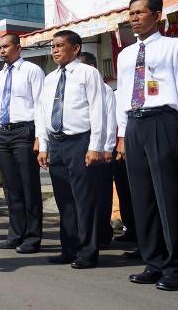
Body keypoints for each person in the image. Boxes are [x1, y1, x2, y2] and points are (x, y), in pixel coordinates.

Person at [116, 0, 178, 290]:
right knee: (143, 198)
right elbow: (122, 94)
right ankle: (154, 262)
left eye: (140, 13)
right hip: (135, 124)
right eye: (131, 14)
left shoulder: (175, 47)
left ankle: (176, 268)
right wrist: (123, 134)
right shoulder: (125, 54)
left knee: (169, 197)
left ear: (158, 16)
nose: (134, 18)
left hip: (164, 121)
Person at [38, 30, 105, 269]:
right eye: (53, 47)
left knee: (83, 199)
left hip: (80, 141)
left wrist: (95, 145)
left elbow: (98, 110)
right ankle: (68, 248)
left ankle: (87, 251)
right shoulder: (49, 79)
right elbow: (42, 113)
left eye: (59, 46)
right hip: (56, 142)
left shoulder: (88, 73)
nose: (55, 50)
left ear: (75, 48)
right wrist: (43, 145)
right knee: (64, 199)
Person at [0, 33, 44, 253]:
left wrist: (40, 136)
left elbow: (41, 104)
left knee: (28, 186)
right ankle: (15, 234)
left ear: (18, 47)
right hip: (4, 133)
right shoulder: (0, 75)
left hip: (25, 131)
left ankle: (32, 238)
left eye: (6, 46)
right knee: (11, 187)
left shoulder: (32, 70)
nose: (2, 51)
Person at [78, 51, 117, 248]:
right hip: (85, 145)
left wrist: (107, 148)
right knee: (89, 194)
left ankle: (103, 233)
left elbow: (109, 120)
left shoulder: (105, 90)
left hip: (101, 149)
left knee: (101, 194)